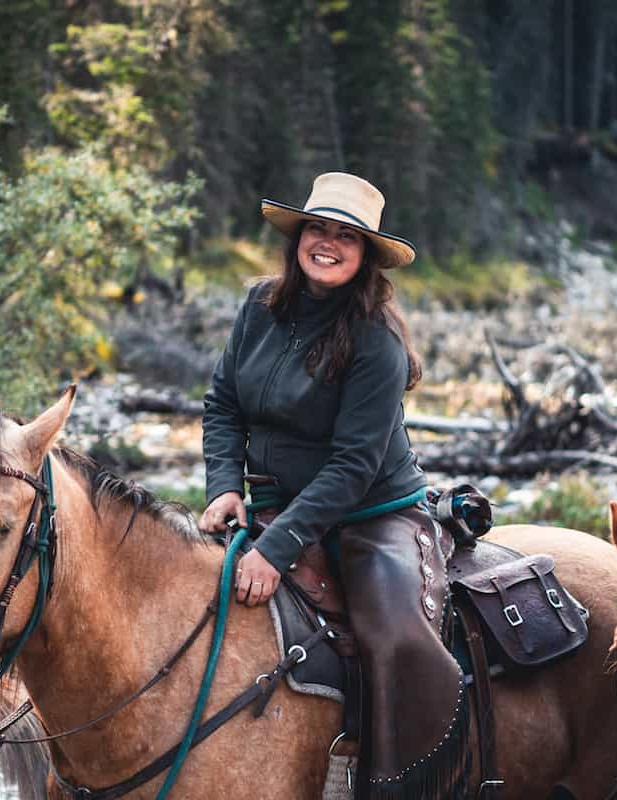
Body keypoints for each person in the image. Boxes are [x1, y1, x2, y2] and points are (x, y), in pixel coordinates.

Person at [200, 172, 464, 799]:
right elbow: (222, 404)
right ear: (298, 237)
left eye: (346, 236)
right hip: (268, 500)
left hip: (370, 512)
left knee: (396, 636)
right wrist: (222, 487)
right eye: (318, 228)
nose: (328, 243)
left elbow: (351, 467)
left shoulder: (377, 341)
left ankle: (395, 780)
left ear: (365, 254)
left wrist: (275, 548)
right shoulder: (260, 306)